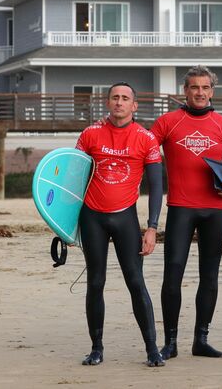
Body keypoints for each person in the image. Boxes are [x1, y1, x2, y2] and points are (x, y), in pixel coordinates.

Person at [150, 65, 222, 360]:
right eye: (194, 87)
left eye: (205, 88)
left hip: (216, 209)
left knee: (210, 276)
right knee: (173, 275)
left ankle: (201, 340)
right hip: (181, 207)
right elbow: (143, 149)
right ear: (185, 91)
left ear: (212, 91)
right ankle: (170, 342)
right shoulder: (168, 121)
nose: (200, 93)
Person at [74, 82, 165, 367]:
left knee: (136, 282)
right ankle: (96, 348)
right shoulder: (90, 134)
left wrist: (151, 227)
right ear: (107, 102)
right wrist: (65, 225)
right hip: (92, 217)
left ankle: (152, 349)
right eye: (115, 97)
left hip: (125, 217)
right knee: (96, 282)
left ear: (134, 106)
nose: (119, 102)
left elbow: (156, 185)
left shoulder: (146, 139)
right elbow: (73, 179)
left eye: (125, 98)